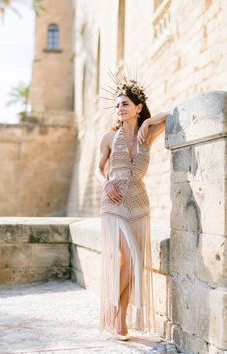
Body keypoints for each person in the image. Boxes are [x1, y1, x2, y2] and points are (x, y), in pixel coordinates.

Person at [95, 77, 170, 340]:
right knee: (127, 256)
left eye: (125, 104)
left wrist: (148, 122)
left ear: (138, 107)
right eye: (117, 105)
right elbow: (98, 169)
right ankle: (116, 312)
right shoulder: (108, 136)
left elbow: (169, 116)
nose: (120, 108)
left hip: (139, 202)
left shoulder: (147, 133)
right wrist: (105, 185)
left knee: (134, 260)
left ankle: (119, 315)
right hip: (114, 201)